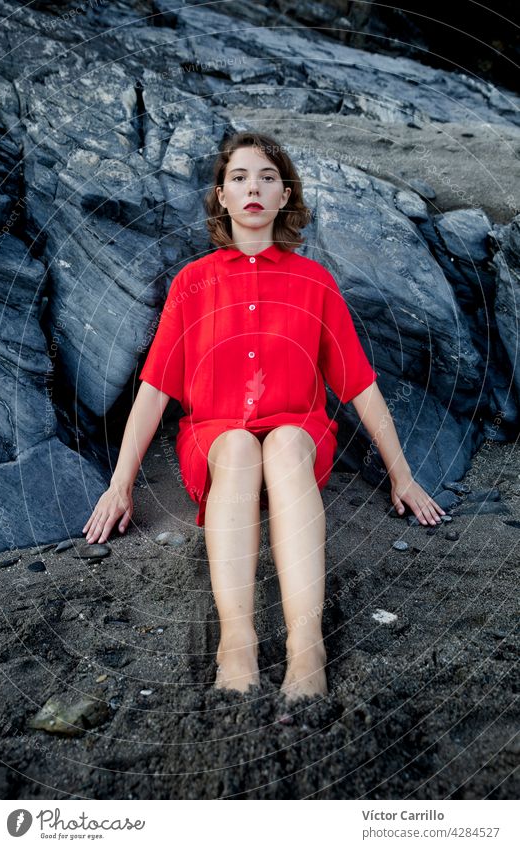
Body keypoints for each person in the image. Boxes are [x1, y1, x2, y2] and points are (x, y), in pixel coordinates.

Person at [83, 131, 445, 702]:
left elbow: (360, 387)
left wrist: (401, 474)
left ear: (285, 197)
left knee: (280, 444)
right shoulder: (193, 283)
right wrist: (119, 484)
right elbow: (154, 391)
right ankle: (237, 643)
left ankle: (308, 648)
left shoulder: (315, 282)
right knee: (236, 446)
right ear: (223, 199)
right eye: (239, 177)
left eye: (268, 178)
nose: (254, 186)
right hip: (214, 441)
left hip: (298, 439)